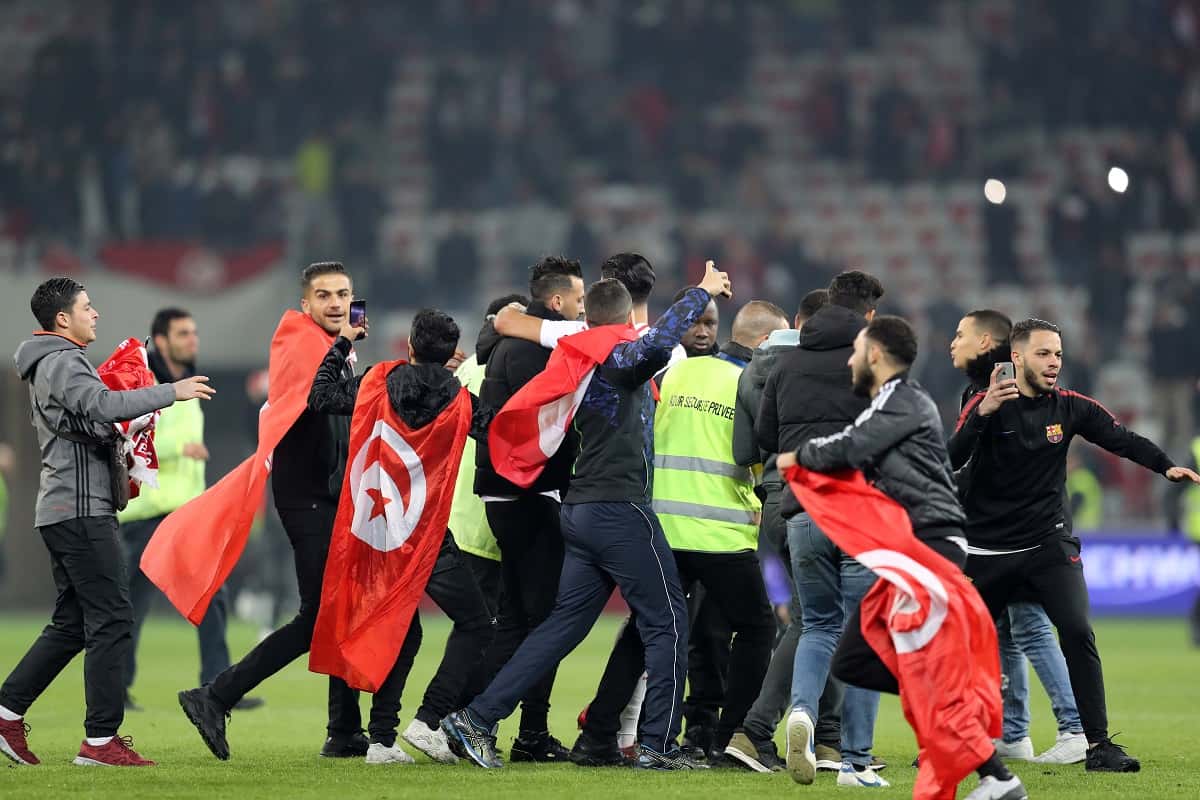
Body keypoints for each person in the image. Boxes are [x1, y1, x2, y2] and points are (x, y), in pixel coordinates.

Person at [443, 265, 733, 771]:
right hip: (619, 509)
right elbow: (660, 342)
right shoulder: (621, 361)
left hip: (580, 510)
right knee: (667, 620)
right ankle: (656, 745)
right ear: (624, 322)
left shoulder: (578, 359)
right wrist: (700, 293)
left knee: (560, 627)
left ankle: (476, 718)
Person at [777, 314, 1026, 800]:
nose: (849, 361)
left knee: (897, 662)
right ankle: (961, 695)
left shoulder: (902, 400)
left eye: (856, 352)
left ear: (874, 355)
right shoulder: (893, 404)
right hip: (915, 546)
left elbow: (851, 448)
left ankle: (993, 766)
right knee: (854, 658)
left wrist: (798, 457)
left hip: (930, 544)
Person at [950, 317, 1200, 773]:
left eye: (1059, 355)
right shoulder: (983, 403)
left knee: (1078, 632)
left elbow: (1119, 439)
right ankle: (955, 738)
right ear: (1017, 357)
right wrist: (982, 414)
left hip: (1047, 544)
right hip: (986, 549)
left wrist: (1165, 466)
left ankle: (1097, 745)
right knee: (957, 645)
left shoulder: (1070, 407)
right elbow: (950, 459)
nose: (1054, 363)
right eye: (1044, 354)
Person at [0, 277, 213, 768]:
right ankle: (100, 741)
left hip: (64, 508)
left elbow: (90, 420)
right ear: (62, 320)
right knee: (114, 618)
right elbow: (99, 406)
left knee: (74, 623)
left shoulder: (49, 363)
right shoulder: (62, 359)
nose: (95, 314)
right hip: (80, 509)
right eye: (87, 307)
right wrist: (168, 391)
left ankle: (8, 715)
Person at [575, 301, 788, 766]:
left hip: (662, 527)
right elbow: (752, 456)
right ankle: (734, 739)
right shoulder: (753, 384)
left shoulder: (680, 372)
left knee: (645, 630)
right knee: (757, 627)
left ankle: (597, 736)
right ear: (767, 343)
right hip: (721, 532)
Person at [177, 262, 367, 760]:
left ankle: (344, 731)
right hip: (306, 494)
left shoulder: (329, 346)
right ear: (305, 304)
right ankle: (216, 695)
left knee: (335, 613)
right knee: (317, 617)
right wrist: (352, 352)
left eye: (342, 294)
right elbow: (323, 401)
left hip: (324, 492)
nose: (334, 303)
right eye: (323, 295)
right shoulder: (299, 340)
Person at [307, 307, 494, 764]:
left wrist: (344, 342)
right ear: (452, 353)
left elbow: (320, 397)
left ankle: (382, 740)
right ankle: (426, 720)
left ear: (409, 346)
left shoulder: (375, 382)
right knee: (476, 624)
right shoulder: (463, 402)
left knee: (403, 633)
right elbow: (503, 432)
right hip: (425, 537)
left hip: (373, 531)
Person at [755, 270, 888, 786]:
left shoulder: (786, 363)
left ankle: (803, 714)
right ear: (869, 316)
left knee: (816, 625)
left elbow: (766, 434)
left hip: (803, 514)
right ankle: (855, 763)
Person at [949, 309, 1085, 764]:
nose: (953, 342)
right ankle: (1014, 731)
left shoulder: (1005, 392)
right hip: (995, 534)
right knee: (1002, 630)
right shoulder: (983, 392)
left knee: (1027, 625)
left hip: (1029, 533)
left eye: (961, 334)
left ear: (986, 341)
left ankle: (1073, 727)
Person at [726, 288, 850, 774]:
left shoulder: (755, 368)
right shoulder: (829, 366)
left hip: (773, 500)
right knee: (816, 622)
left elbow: (745, 450)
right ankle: (756, 732)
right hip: (818, 498)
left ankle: (830, 741)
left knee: (819, 619)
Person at [117, 308, 264, 714]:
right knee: (129, 606)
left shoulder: (190, 386)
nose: (193, 339)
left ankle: (218, 689)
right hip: (146, 512)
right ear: (160, 340)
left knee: (213, 593)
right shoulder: (145, 384)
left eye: (194, 332)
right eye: (183, 332)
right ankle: (114, 690)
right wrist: (178, 449)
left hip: (184, 514)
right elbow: (126, 439)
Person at [472, 257, 586, 762]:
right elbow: (542, 428)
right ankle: (526, 734)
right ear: (557, 303)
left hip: (505, 493)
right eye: (579, 301)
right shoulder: (536, 351)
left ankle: (476, 722)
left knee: (517, 617)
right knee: (547, 621)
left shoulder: (505, 345)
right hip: (527, 493)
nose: (583, 310)